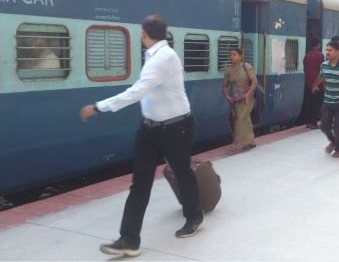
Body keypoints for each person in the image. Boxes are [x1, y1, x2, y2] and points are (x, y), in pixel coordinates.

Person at [79, 15, 203, 257]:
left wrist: (97, 107)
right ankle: (129, 239)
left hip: (176, 128)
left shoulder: (164, 58)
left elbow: (137, 91)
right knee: (140, 182)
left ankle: (195, 215)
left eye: (140, 33)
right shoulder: (154, 56)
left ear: (144, 34)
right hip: (150, 129)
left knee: (182, 172)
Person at [223, 48, 258, 151]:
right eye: (230, 55)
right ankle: (250, 142)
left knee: (241, 119)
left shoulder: (246, 67)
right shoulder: (228, 70)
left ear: (240, 56)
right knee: (239, 119)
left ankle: (237, 143)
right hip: (234, 99)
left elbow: (254, 81)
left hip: (246, 99)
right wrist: (227, 96)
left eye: (234, 55)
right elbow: (225, 86)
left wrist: (248, 94)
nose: (232, 57)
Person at [303, 37, 325, 129]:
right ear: (318, 44)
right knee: (316, 104)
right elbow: (322, 70)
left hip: (308, 84)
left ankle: (308, 122)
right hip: (317, 85)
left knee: (309, 103)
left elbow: (305, 69)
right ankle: (314, 123)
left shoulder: (306, 55)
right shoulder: (320, 55)